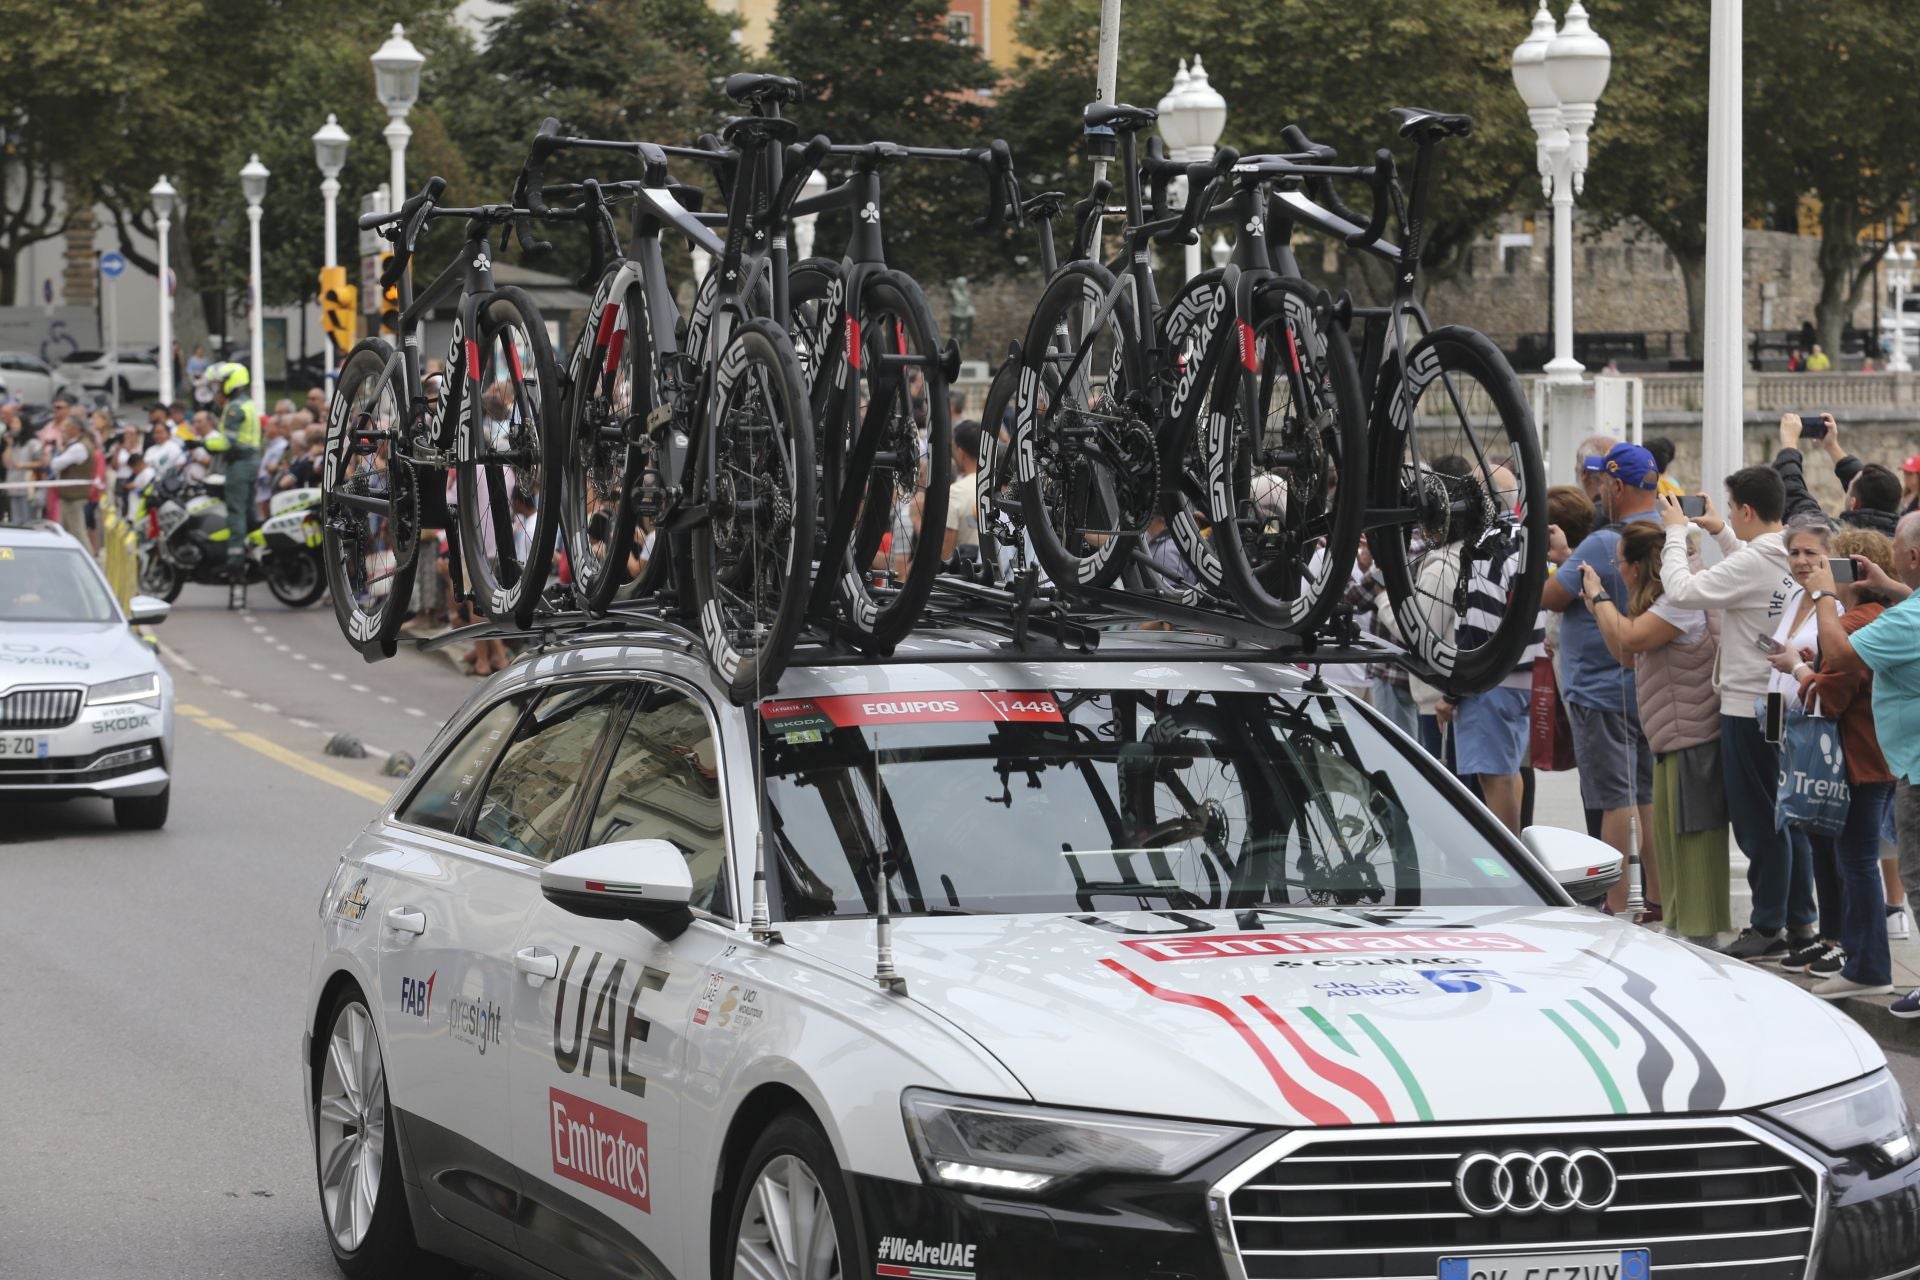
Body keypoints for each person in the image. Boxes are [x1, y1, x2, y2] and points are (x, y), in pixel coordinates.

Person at [1656, 466, 1802, 958]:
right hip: (1778, 697)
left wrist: (1677, 533)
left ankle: (1768, 925)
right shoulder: (1786, 550)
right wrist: (1719, 531)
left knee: (1757, 819)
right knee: (1785, 814)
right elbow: (1753, 573)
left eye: (1731, 511)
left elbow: (1681, 590)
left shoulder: (1756, 560)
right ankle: (1798, 920)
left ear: (1746, 510)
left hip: (1748, 703)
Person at [1765, 527, 1900, 999]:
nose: (1815, 568)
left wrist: (1801, 669)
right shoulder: (1883, 613)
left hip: (1861, 759)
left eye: (1826, 562)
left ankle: (1868, 965)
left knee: (1856, 861)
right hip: (1876, 756)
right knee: (1855, 859)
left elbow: (1832, 694)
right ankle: (1863, 959)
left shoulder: (1857, 621)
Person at [1584, 522, 1730, 945]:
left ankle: (1702, 936)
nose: (1617, 569)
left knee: (1694, 841)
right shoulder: (1666, 600)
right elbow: (1628, 654)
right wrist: (1600, 610)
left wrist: (1599, 596)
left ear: (1634, 567)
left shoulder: (1680, 602)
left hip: (1694, 734)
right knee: (1671, 840)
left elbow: (1629, 636)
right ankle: (1685, 928)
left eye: (1620, 562)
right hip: (1673, 735)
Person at [1804, 511, 1920, 1013]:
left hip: (1906, 766)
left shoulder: (1903, 620)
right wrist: (1890, 584)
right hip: (1900, 763)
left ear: (1912, 555)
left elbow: (1838, 654)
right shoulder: (1906, 607)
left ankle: (1872, 966)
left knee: (1912, 878)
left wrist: (1825, 594)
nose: (1889, 554)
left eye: (1895, 547)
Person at [1541, 442, 1664, 915]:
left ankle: (1615, 902)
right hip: (1648, 687)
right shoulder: (1668, 536)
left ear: (1614, 485)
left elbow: (1553, 595)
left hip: (1599, 686)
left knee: (1614, 801)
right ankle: (1655, 896)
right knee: (1647, 800)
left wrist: (1554, 560)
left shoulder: (1602, 541)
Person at [1445, 466, 1547, 836]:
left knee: (1495, 777)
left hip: (1492, 681)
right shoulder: (1525, 538)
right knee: (1510, 769)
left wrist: (1452, 690)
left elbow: (1477, 625)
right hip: (1526, 675)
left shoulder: (1487, 544)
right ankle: (1517, 845)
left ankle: (1510, 863)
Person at [1760, 516, 1841, 975]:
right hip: (1788, 721)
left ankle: (1837, 937)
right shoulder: (1796, 595)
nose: (1803, 561)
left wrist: (1796, 665)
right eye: (1796, 553)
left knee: (1827, 836)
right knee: (1806, 829)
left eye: (1812, 552)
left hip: (1821, 728)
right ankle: (1826, 936)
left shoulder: (1836, 601)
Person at [1774, 414, 1900, 534]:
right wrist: (1832, 446)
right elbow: (1873, 488)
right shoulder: (1901, 536)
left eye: (1850, 485)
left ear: (1853, 503)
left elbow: (1798, 503)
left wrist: (1789, 445)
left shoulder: (1838, 539)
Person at [199, 360, 263, 578]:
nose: (217, 388)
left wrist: (202, 443)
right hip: (250, 461)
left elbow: (226, 442)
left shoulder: (234, 408)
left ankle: (235, 562)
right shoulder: (247, 403)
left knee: (236, 512)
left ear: (231, 382)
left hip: (240, 463)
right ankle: (254, 550)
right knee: (248, 511)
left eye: (220, 383)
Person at [45, 410, 97, 548]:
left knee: (78, 532)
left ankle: (89, 561)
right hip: (69, 496)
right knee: (66, 531)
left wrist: (56, 454)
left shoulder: (79, 447)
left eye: (66, 426)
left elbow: (56, 464)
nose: (63, 429)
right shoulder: (75, 444)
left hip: (75, 497)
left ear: (75, 429)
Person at [943, 420, 981, 562]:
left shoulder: (956, 491)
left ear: (960, 452)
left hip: (964, 574)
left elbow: (946, 549)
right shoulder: (997, 485)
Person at [4, 403, 45, 524]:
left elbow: (40, 462)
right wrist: (9, 445)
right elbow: (7, 463)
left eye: (16, 423)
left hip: (27, 488)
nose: (13, 426)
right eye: (12, 423)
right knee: (16, 520)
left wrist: (24, 465)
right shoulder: (15, 444)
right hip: (13, 485)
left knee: (27, 521)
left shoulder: (33, 443)